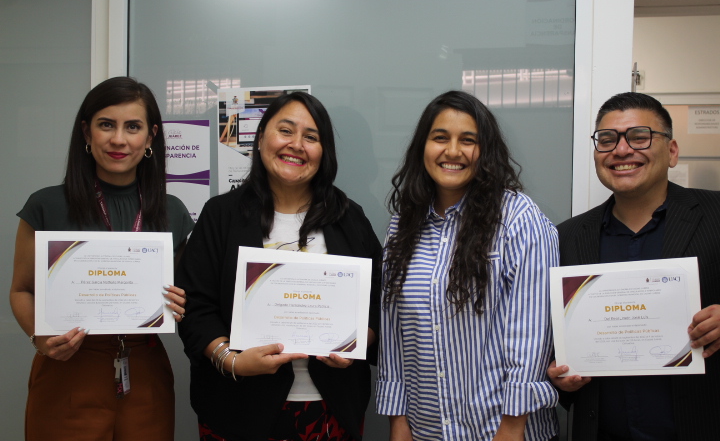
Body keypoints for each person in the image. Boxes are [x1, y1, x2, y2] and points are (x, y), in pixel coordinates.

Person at [177, 91, 382, 441]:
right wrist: (232, 360)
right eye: (285, 131)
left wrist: (357, 342)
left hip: (330, 407)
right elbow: (195, 306)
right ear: (260, 139)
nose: (296, 145)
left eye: (311, 137)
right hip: (237, 407)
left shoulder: (349, 218)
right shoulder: (221, 215)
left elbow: (379, 302)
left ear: (324, 152)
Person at [9, 76, 194, 440]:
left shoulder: (172, 211)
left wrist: (181, 302)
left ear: (151, 137)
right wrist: (40, 339)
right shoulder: (46, 205)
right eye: (106, 124)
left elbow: (187, 298)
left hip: (145, 372)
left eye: (133, 127)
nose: (118, 139)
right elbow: (21, 290)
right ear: (86, 132)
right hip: (68, 367)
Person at [376, 90, 559, 441]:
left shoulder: (518, 219)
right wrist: (398, 420)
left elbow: (531, 335)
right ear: (422, 147)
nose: (453, 151)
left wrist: (511, 429)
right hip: (426, 431)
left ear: (485, 151)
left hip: (498, 430)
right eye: (440, 137)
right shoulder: (403, 225)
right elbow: (393, 332)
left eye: (468, 140)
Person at [548, 92, 720, 441]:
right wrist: (559, 377)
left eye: (639, 136)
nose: (622, 150)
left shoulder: (715, 215)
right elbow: (552, 345)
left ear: (672, 151)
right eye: (607, 140)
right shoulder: (565, 238)